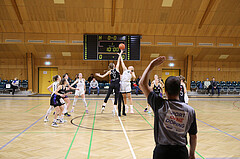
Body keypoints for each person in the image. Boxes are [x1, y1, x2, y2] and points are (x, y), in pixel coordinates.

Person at [139, 56, 197, 159]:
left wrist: (152, 65)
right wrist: (192, 154)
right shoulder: (190, 110)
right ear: (180, 90)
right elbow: (193, 135)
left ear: (165, 90)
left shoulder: (159, 104)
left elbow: (142, 84)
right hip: (181, 152)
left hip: (162, 152)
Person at [95, 51, 122, 116]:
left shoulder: (110, 71)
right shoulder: (117, 69)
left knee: (108, 94)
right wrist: (120, 55)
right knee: (116, 96)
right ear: (114, 66)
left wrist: (98, 75)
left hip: (112, 83)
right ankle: (114, 110)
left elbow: (102, 76)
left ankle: (103, 106)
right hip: (117, 84)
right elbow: (119, 61)